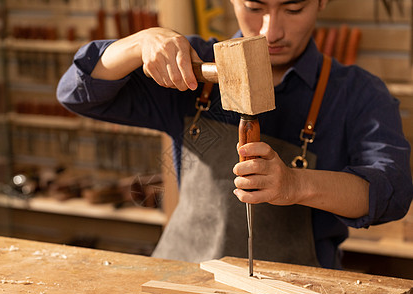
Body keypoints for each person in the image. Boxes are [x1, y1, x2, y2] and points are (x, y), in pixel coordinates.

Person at [57, 0, 413, 269]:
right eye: (254, 7)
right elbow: (76, 93)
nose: (271, 31)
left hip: (295, 286)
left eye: (294, 8)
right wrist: (139, 44)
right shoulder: (194, 65)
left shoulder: (358, 94)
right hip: (185, 278)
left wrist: (294, 185)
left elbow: (390, 194)